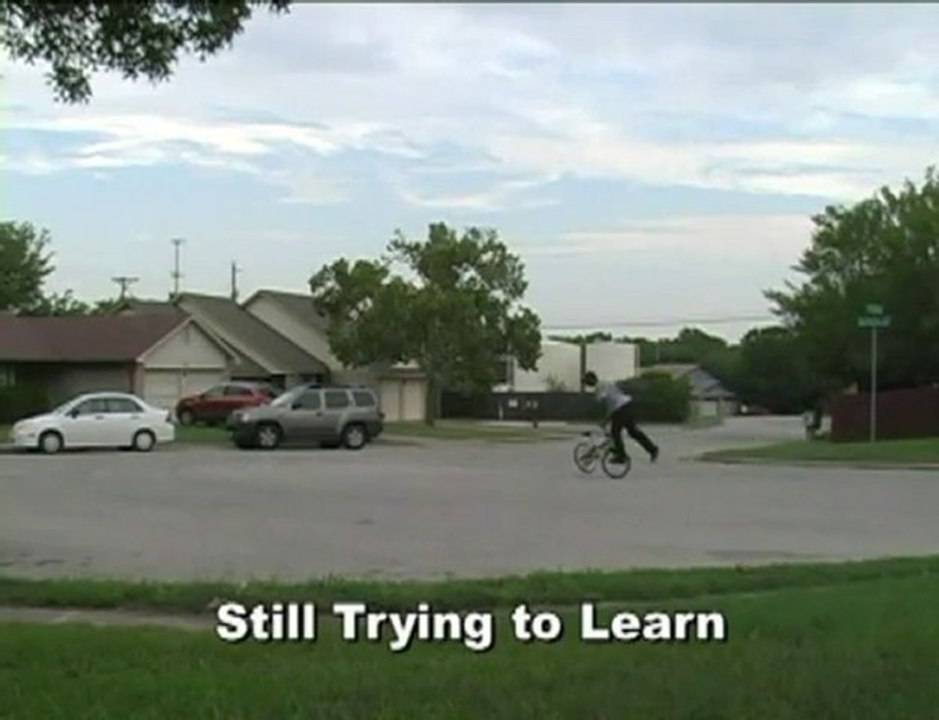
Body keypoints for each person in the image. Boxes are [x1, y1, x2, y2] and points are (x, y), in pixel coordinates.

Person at [583, 370, 659, 464]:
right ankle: (653, 449)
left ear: (592, 379)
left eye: (587, 381)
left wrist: (605, 420)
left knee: (615, 432)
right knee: (633, 431)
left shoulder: (599, 388)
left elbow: (608, 405)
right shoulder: (606, 383)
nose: (587, 384)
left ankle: (621, 456)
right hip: (627, 404)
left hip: (620, 408)